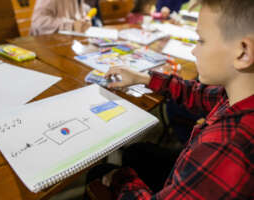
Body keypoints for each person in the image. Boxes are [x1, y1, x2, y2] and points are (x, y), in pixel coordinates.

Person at [87, 0, 254, 199]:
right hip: (190, 167)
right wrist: (145, 79)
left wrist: (121, 178)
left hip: (192, 173)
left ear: (243, 52)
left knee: (99, 172)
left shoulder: (224, 147)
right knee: (137, 151)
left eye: (201, 41)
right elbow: (198, 93)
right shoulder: (240, 95)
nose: (193, 50)